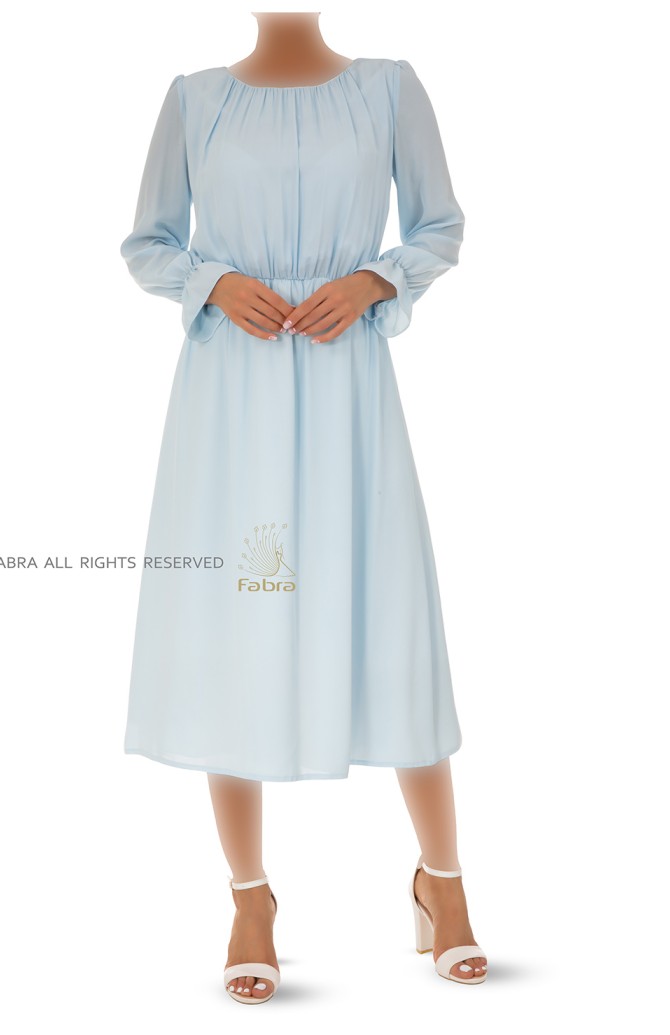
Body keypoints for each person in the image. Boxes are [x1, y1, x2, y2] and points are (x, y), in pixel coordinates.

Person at [119, 11, 486, 1004]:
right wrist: (211, 281)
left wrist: (374, 279)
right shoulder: (196, 98)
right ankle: (250, 898)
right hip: (231, 393)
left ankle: (443, 878)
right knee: (239, 625)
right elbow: (147, 242)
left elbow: (440, 224)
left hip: (346, 383)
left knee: (389, 619)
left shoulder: (389, 87)